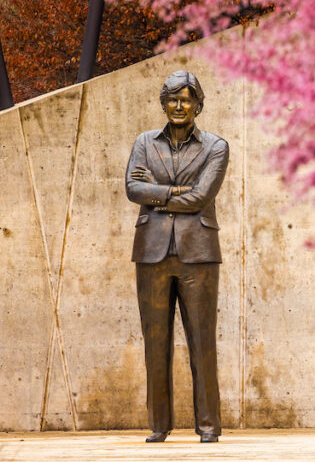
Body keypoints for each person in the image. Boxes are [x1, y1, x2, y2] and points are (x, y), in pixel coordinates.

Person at [125, 71, 229, 443]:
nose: (179, 106)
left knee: (202, 342)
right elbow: (132, 188)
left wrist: (156, 192)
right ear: (163, 103)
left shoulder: (216, 146)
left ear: (199, 104)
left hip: (197, 254)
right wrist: (174, 191)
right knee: (155, 342)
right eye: (172, 99)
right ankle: (159, 425)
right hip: (151, 253)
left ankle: (208, 427)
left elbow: (202, 196)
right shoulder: (143, 143)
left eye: (186, 99)